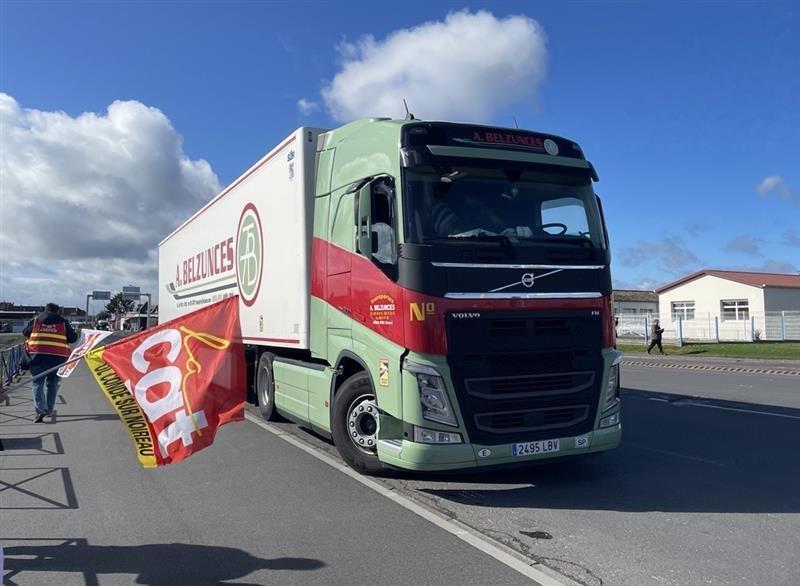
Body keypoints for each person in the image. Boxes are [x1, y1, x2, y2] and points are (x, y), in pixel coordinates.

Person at [23, 303, 78, 422]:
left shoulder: (37, 320)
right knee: (52, 384)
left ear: (45, 310)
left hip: (37, 357)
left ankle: (40, 410)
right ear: (57, 311)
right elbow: (73, 338)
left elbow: (25, 333)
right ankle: (48, 410)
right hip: (58, 359)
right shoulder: (63, 322)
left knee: (37, 383)